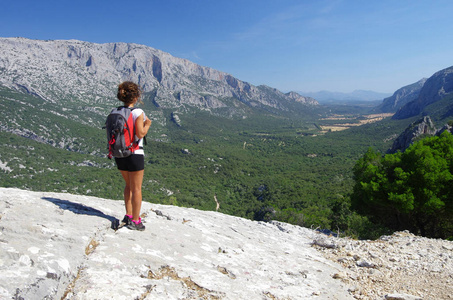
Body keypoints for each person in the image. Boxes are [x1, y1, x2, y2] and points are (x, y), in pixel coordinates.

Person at [114, 81, 152, 231]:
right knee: (137, 188)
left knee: (128, 185)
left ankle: (128, 215)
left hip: (120, 153)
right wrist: (148, 123)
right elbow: (140, 133)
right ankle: (135, 221)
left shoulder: (115, 111)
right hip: (135, 154)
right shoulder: (138, 112)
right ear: (136, 97)